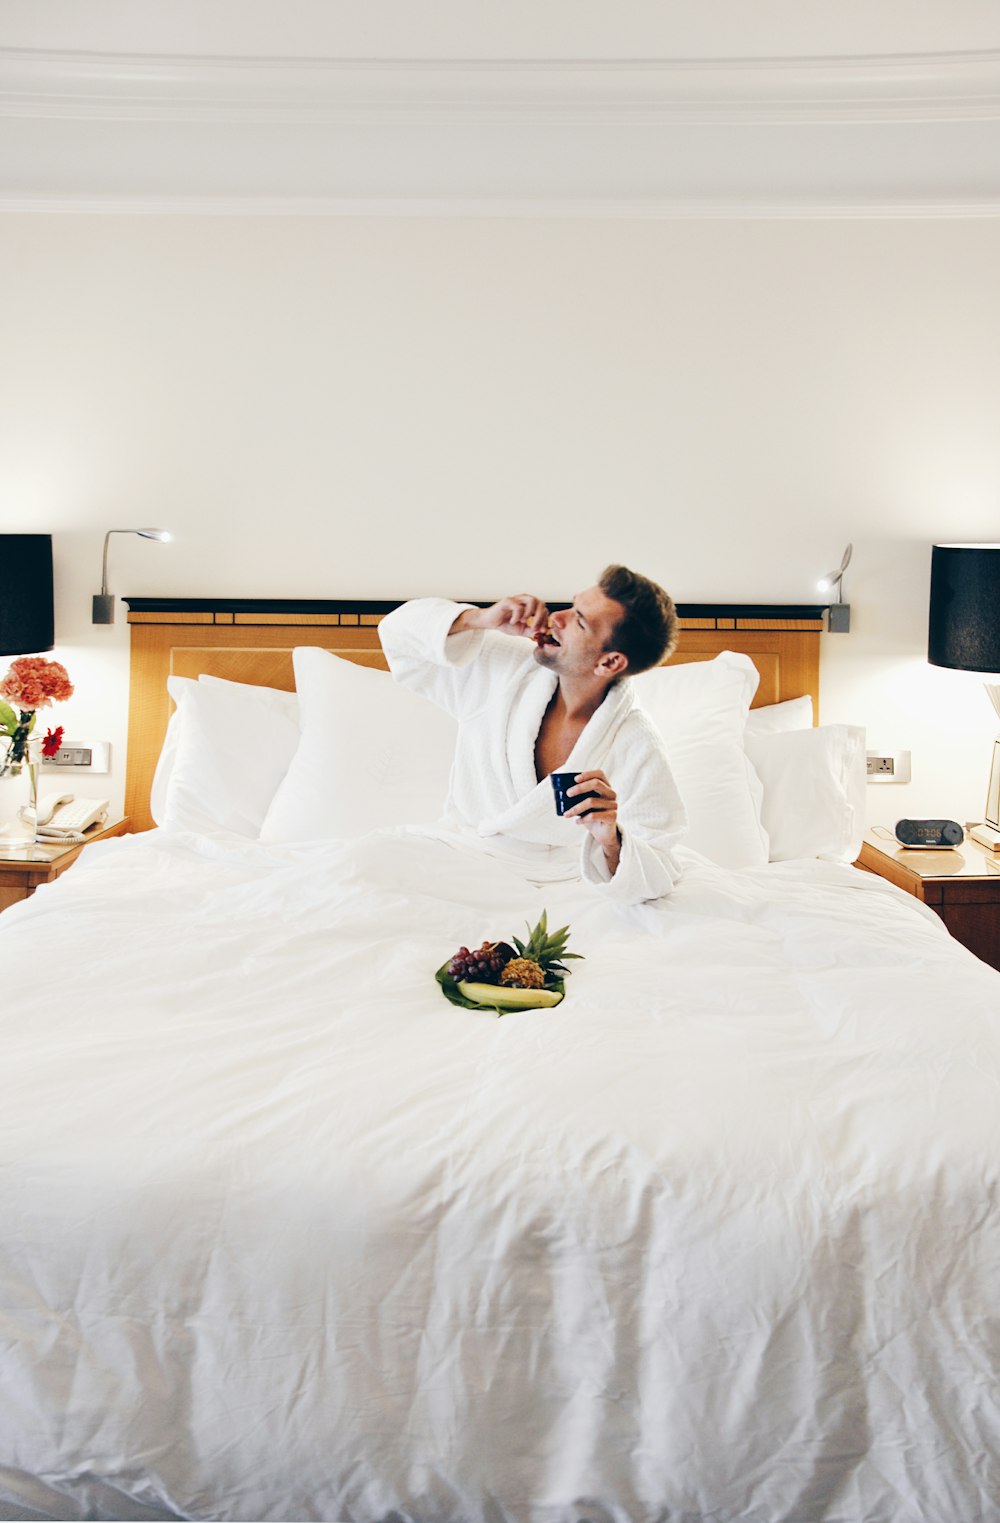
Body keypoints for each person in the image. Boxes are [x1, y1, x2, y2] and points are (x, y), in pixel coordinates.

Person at [378, 565, 687, 904]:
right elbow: (395, 636)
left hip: (566, 888)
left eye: (579, 621)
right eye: (571, 605)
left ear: (610, 663)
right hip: (464, 860)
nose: (557, 618)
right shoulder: (506, 669)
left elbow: (658, 865)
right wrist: (479, 619)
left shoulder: (635, 742)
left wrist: (611, 839)